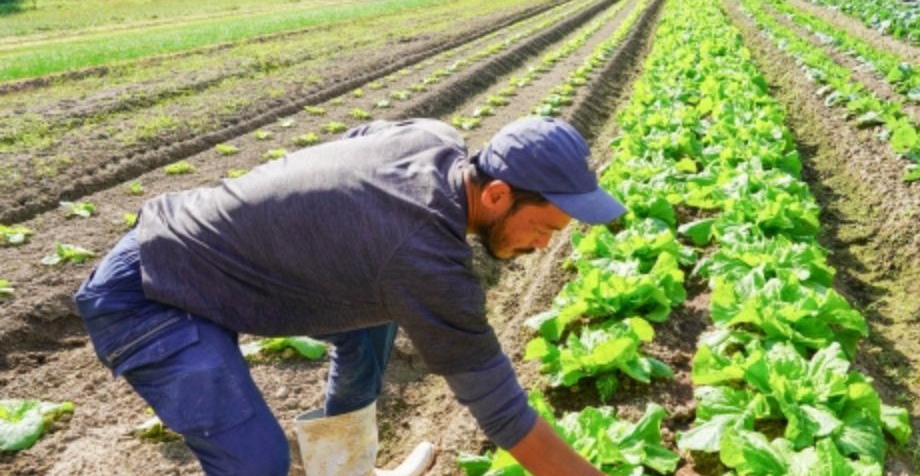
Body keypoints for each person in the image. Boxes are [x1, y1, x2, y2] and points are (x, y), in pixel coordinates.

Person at [74, 116, 625, 476]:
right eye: (545, 228)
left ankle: (343, 471)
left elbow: (361, 140)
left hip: (201, 255)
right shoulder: (425, 261)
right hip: (148, 295)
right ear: (499, 194)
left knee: (374, 313)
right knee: (257, 462)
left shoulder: (435, 140)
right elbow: (505, 415)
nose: (545, 244)